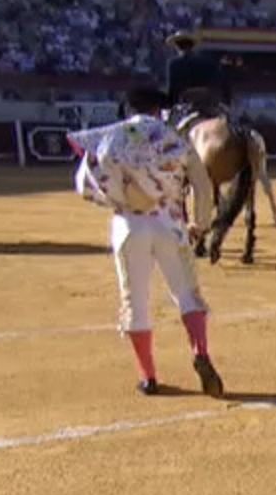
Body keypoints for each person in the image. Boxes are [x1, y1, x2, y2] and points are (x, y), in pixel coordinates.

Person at [68, 87, 224, 397]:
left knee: (135, 301)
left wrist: (116, 198)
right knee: (187, 294)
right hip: (170, 223)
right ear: (157, 110)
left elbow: (84, 184)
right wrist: (200, 222)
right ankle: (200, 352)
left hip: (128, 225)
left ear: (130, 109)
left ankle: (148, 376)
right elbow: (202, 185)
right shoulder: (174, 138)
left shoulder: (109, 138)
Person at [165, 32, 230, 113]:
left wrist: (170, 105)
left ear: (177, 47)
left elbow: (173, 88)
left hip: (186, 101)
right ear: (192, 46)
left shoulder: (174, 63)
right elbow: (221, 81)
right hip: (208, 101)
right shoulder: (207, 62)